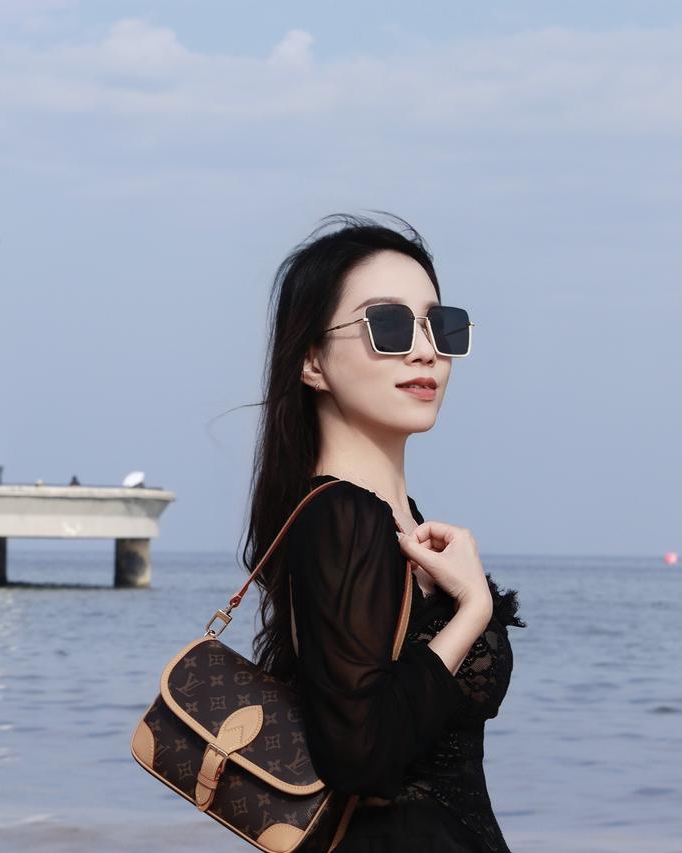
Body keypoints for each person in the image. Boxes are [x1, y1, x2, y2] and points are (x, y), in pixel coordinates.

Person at [242, 215, 525, 852]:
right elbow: (361, 757)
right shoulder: (342, 516)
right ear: (311, 360)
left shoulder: (393, 516)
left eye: (439, 325)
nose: (425, 350)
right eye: (388, 326)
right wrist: (472, 611)